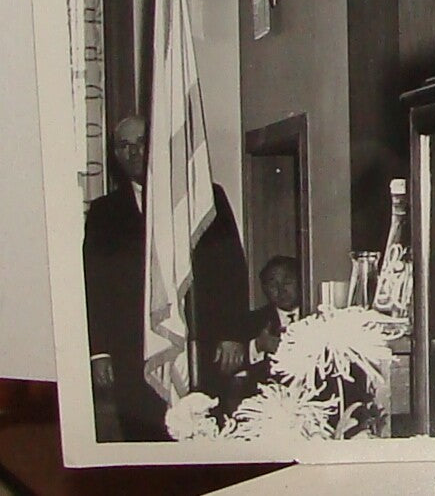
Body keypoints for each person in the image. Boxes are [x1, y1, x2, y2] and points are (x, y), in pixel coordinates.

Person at [83, 115, 251, 441]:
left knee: (202, 444)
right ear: (115, 155)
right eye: (124, 145)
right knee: (144, 447)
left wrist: (233, 333)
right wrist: (99, 351)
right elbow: (95, 285)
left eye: (142, 143)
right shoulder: (105, 213)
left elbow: (231, 270)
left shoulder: (205, 199)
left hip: (202, 348)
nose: (134, 152)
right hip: (132, 355)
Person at [246, 254, 304, 380]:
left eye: (287, 282)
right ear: (265, 289)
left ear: (301, 281)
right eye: (273, 285)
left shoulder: (316, 315)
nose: (281, 290)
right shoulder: (254, 321)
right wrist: (258, 346)